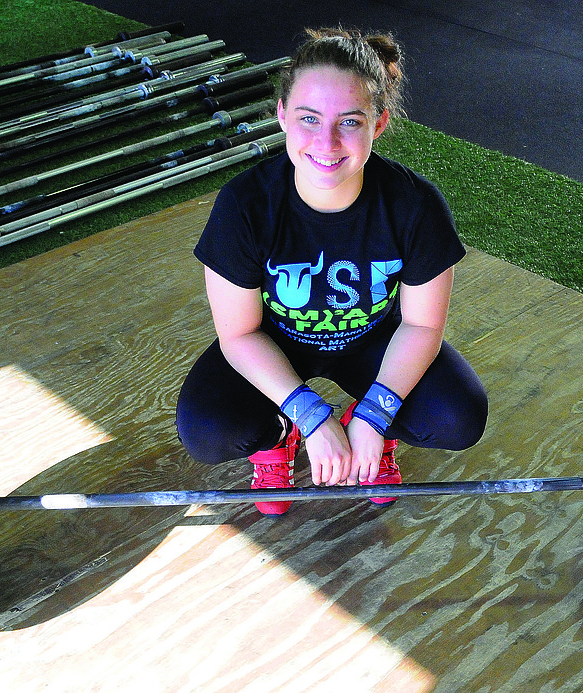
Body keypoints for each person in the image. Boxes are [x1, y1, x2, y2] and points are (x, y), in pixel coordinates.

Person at [176, 27, 487, 515]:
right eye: (308, 118)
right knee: (208, 430)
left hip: (371, 344)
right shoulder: (243, 204)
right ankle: (278, 435)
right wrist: (309, 416)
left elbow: (423, 325)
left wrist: (375, 414)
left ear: (378, 125)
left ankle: (370, 434)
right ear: (281, 115)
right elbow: (238, 335)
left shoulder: (415, 205)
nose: (327, 141)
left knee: (458, 418)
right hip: (274, 341)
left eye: (350, 121)